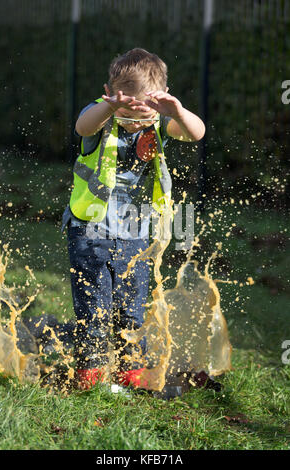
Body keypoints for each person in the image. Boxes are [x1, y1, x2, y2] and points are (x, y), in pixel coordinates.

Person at [61, 48, 205, 390]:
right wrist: (111, 106)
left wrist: (178, 111)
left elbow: (196, 133)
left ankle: (130, 370)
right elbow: (83, 127)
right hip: (88, 230)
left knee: (132, 304)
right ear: (110, 93)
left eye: (143, 112)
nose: (135, 120)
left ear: (156, 104)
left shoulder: (159, 123)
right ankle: (90, 370)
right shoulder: (100, 114)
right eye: (128, 110)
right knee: (93, 303)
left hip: (136, 233)